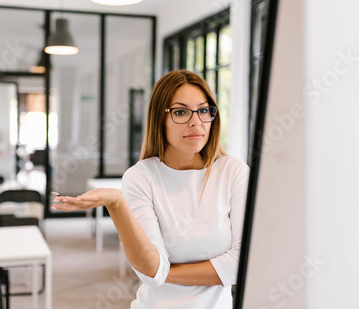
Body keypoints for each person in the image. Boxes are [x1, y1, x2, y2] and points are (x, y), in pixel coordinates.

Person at [52, 69, 249, 308]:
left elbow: (242, 264)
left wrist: (164, 274)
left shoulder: (233, 172)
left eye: (204, 110)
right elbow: (149, 268)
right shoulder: (141, 177)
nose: (196, 121)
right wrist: (116, 202)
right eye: (180, 112)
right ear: (160, 119)